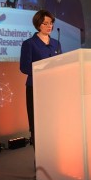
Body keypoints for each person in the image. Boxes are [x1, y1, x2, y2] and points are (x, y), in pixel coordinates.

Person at [20, 9, 61, 147]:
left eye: (51, 23)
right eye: (46, 23)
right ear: (38, 25)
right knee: (37, 125)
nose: (49, 26)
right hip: (35, 89)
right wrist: (44, 69)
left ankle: (53, 158)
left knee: (53, 123)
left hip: (54, 89)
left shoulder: (56, 43)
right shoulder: (29, 44)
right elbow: (24, 67)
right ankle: (39, 161)